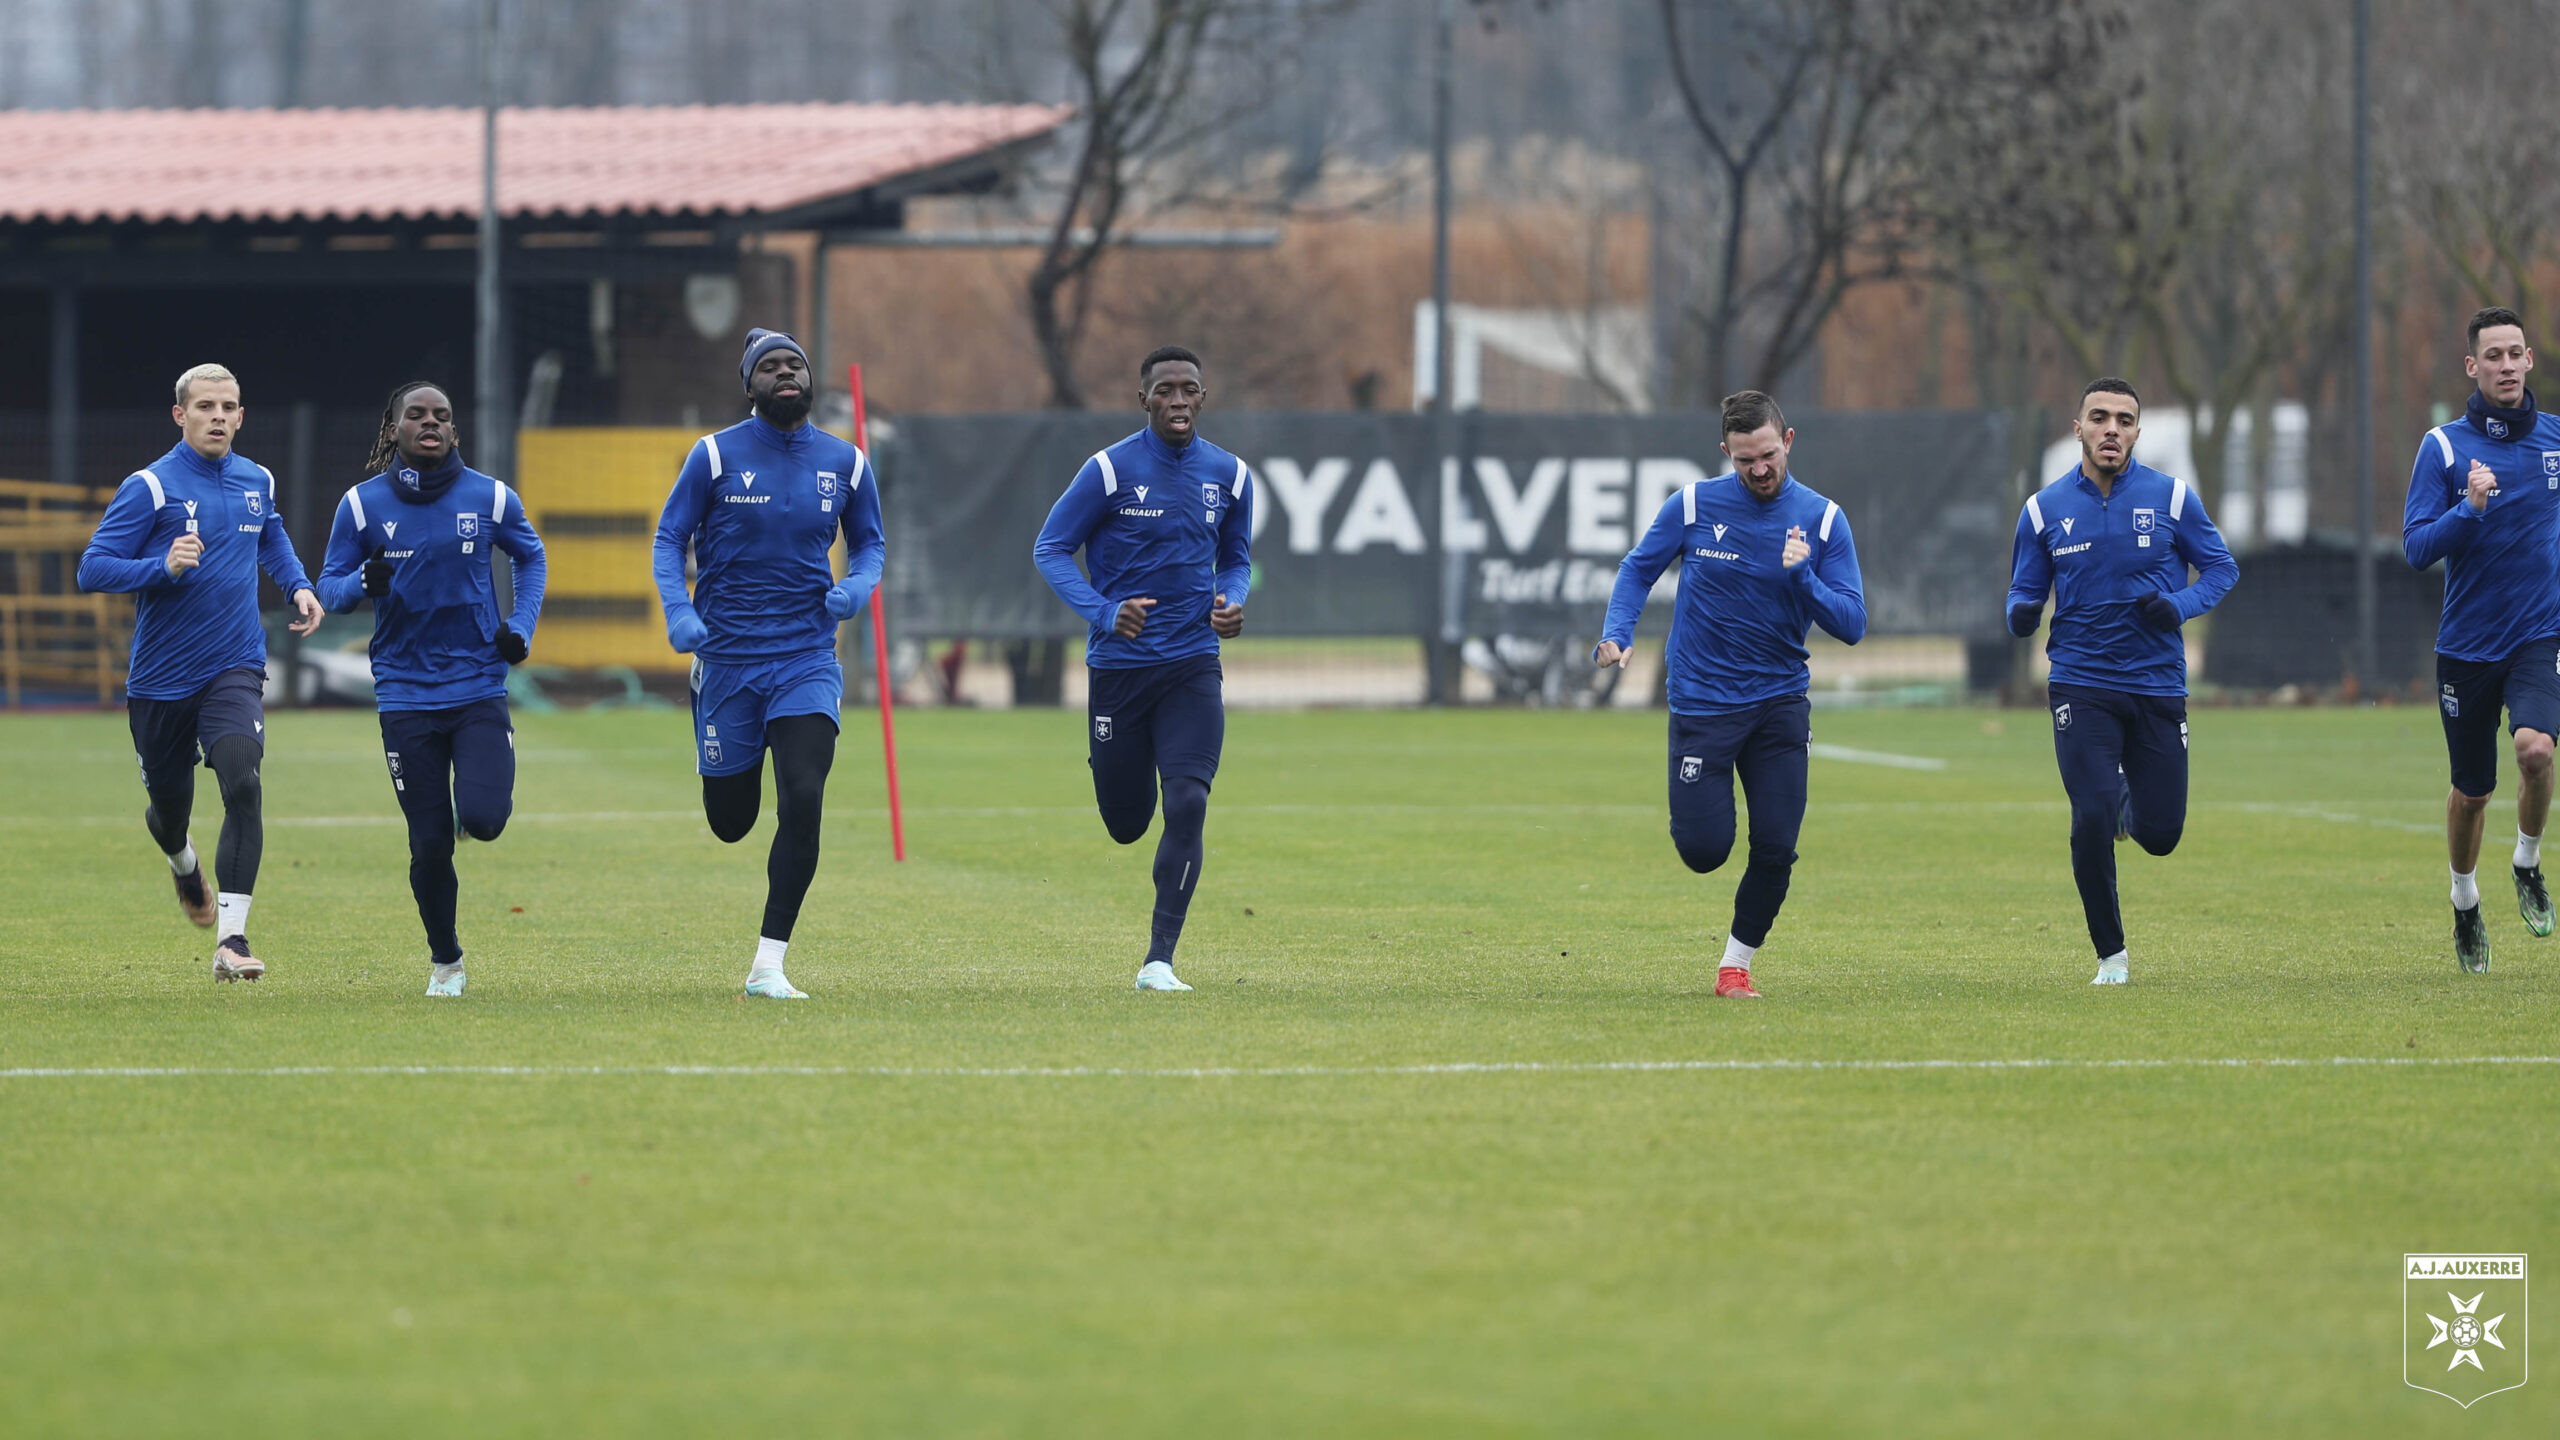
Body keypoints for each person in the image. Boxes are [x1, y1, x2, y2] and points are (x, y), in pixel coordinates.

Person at [1594, 389, 1866, 999]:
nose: (1760, 469)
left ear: (1787, 440)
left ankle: (1735, 966)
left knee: (1776, 847)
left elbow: (1851, 624)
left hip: (1778, 704)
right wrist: (1617, 632)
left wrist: (1807, 580)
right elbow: (1637, 568)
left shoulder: (1824, 521)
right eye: (1745, 460)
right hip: (1701, 703)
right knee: (1704, 851)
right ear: (1726, 453)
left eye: (1768, 454)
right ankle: (1696, 813)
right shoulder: (1692, 505)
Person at [653, 328, 883, 998]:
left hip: (806, 656)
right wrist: (680, 613)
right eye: (771, 367)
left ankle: (769, 964)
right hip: (727, 660)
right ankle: (713, 732)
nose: (787, 374)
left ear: (810, 383)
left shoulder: (846, 461)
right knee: (731, 823)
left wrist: (855, 588)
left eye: (797, 365)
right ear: (749, 384)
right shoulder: (715, 456)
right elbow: (670, 538)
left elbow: (871, 544)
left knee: (804, 797)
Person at [77, 363, 324, 981]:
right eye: (206, 406)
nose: (218, 416)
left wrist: (297, 585)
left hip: (234, 663)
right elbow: (94, 569)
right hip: (160, 681)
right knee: (168, 812)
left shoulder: (256, 479)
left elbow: (270, 536)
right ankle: (184, 863)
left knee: (242, 780)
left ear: (241, 416)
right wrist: (161, 566)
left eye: (229, 406)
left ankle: (232, 941)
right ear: (180, 415)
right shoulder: (150, 488)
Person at [1033, 345, 1254, 992]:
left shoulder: (1232, 476)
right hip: (1119, 672)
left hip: (1192, 666)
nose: (1178, 400)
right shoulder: (1107, 471)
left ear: (1203, 398)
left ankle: (1159, 959)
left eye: (1189, 389)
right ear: (1144, 400)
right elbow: (1050, 549)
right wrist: (1104, 613)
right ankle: (1114, 770)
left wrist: (1232, 601)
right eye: (1165, 390)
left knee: (1186, 802)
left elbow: (1236, 558)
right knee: (1127, 823)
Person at [2005, 377, 2239, 985]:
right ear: (2077, 428)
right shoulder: (2043, 509)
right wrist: (2023, 613)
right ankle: (2111, 956)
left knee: (2160, 835)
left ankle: (2123, 798)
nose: (2112, 429)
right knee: (2090, 816)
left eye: (2125, 420)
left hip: (2158, 685)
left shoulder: (2172, 498)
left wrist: (2180, 606)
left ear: (2138, 431)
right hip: (2080, 685)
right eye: (2100, 418)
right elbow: (2021, 597)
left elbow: (2220, 567)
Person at [316, 381, 546, 996]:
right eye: (415, 414)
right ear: (392, 428)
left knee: (485, 818)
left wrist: (519, 626)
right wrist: (362, 581)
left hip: (476, 685)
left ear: (454, 431)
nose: (430, 422)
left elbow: (531, 557)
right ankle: (446, 962)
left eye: (441, 416)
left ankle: (471, 804)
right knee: (428, 844)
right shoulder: (361, 507)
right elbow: (329, 588)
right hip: (403, 693)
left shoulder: (492, 497)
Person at [2400, 306, 2560, 973]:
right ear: (2473, 366)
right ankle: (2464, 900)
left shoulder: (2555, 441)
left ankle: (2526, 860)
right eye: (2491, 355)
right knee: (2471, 792)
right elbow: (2414, 548)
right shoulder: (2442, 447)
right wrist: (2467, 511)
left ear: (2528, 360)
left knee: (2536, 751)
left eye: (2514, 353)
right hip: (2466, 647)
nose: (2505, 365)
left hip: (2538, 637)